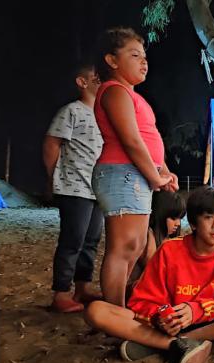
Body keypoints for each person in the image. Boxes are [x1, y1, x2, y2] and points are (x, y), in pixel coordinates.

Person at [84, 188, 214, 363]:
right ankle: (173, 344)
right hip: (169, 325)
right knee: (96, 311)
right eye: (208, 217)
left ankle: (178, 341)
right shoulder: (169, 250)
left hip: (212, 323)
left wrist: (196, 309)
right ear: (193, 222)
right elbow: (141, 301)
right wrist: (162, 318)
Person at [91, 28, 178, 306]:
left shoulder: (131, 94)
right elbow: (130, 140)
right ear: (112, 60)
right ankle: (114, 312)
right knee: (123, 246)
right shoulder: (114, 91)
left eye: (144, 56)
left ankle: (120, 306)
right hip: (121, 174)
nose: (144, 61)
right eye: (134, 55)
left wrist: (163, 171)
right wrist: (155, 176)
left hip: (135, 175)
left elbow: (147, 137)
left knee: (137, 245)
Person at [43, 62, 104, 313]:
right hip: (73, 186)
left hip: (97, 188)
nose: (101, 80)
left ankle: (82, 287)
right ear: (82, 82)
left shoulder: (104, 114)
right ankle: (61, 293)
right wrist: (53, 177)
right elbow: (51, 144)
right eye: (96, 77)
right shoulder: (72, 111)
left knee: (91, 240)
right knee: (72, 239)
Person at [128, 191, 186, 292]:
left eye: (179, 218)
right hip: (139, 290)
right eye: (173, 218)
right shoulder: (148, 235)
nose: (178, 223)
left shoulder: (169, 238)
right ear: (160, 215)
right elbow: (154, 269)